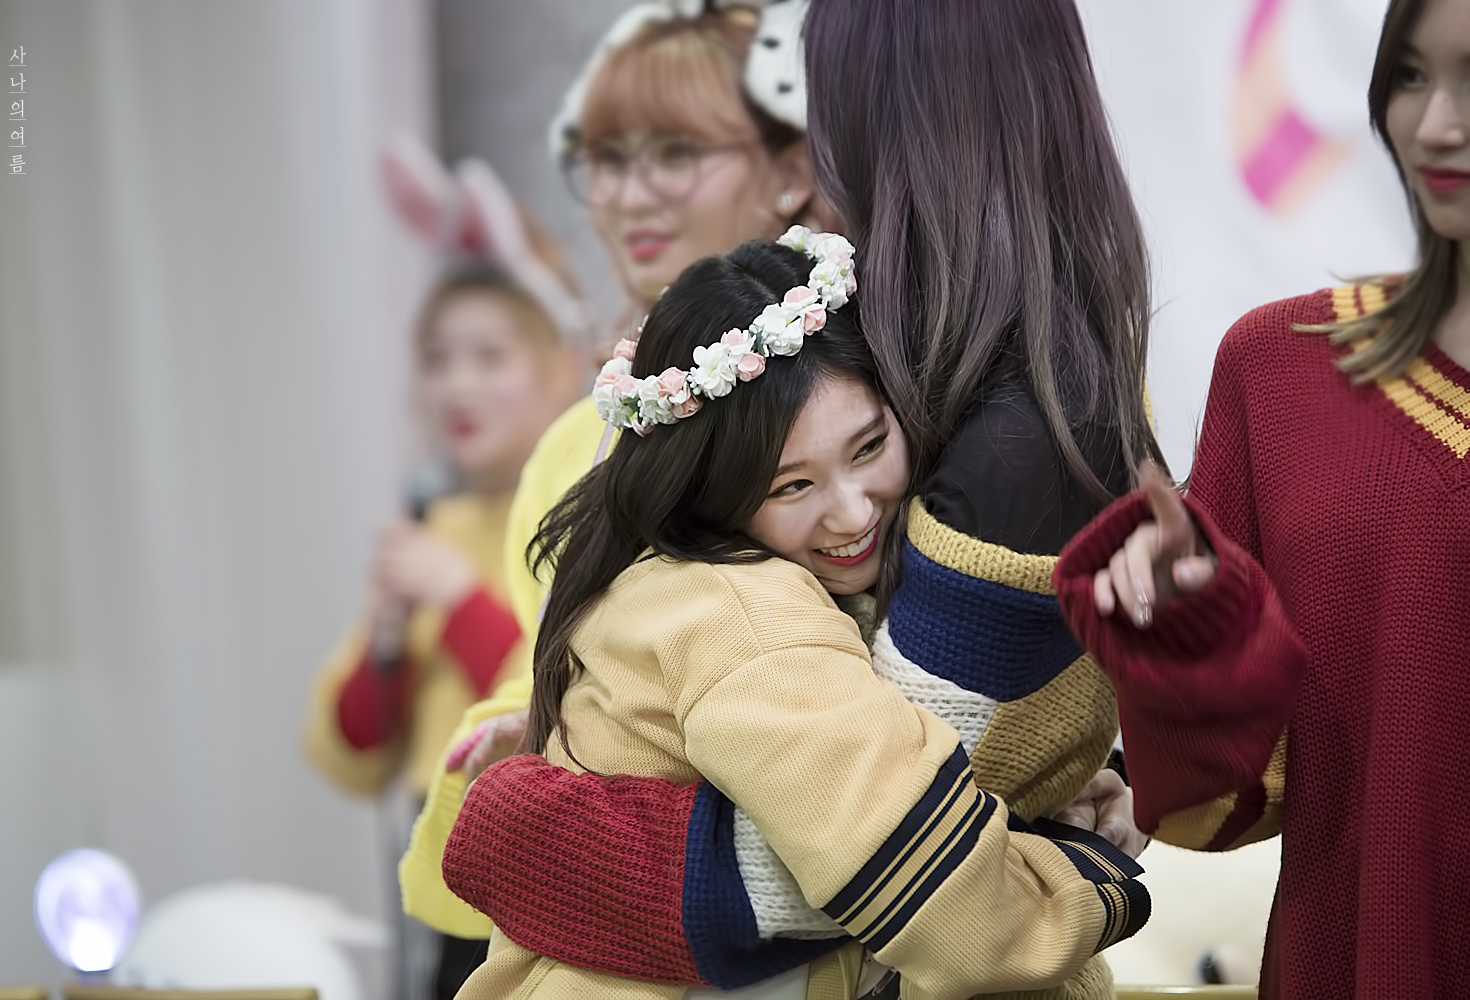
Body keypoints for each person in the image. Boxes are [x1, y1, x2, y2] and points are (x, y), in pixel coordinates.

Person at [437, 2, 1162, 997]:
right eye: (791, 485)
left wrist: (532, 825)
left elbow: (894, 820)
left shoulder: (1010, 433)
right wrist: (1081, 868)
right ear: (719, 490)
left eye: (869, 449)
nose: (853, 509)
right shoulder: (750, 597)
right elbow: (913, 864)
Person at [1050, 0, 1470, 996]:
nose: (1436, 123)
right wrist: (1189, 631)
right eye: (1410, 75)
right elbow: (1220, 807)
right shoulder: (1283, 370)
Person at [398, 0, 831, 933]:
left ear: (792, 170)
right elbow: (538, 671)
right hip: (613, 917)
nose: (631, 195)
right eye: (606, 159)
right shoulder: (569, 447)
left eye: (676, 151)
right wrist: (512, 737)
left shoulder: (843, 399)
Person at [302, 143, 583, 996]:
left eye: (489, 357)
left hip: (547, 863)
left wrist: (460, 601)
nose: (457, 386)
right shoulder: (432, 525)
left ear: (560, 366)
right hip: (441, 866)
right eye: (438, 359)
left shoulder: (582, 511)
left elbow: (564, 691)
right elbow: (354, 748)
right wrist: (388, 638)